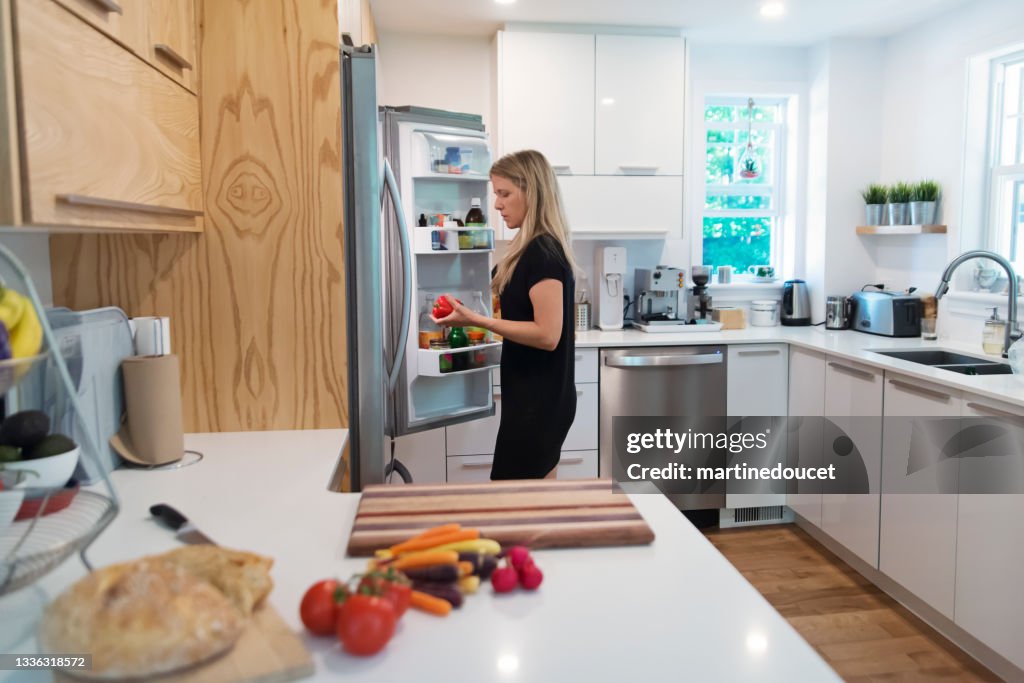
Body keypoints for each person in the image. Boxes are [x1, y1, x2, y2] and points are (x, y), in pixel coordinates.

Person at [432, 150, 577, 480]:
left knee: (513, 493)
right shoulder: (530, 248)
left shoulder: (544, 252)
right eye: (496, 193)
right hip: (532, 395)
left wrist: (477, 320)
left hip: (538, 401)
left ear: (532, 191)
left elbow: (547, 335)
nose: (497, 204)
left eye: (504, 193)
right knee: (534, 496)